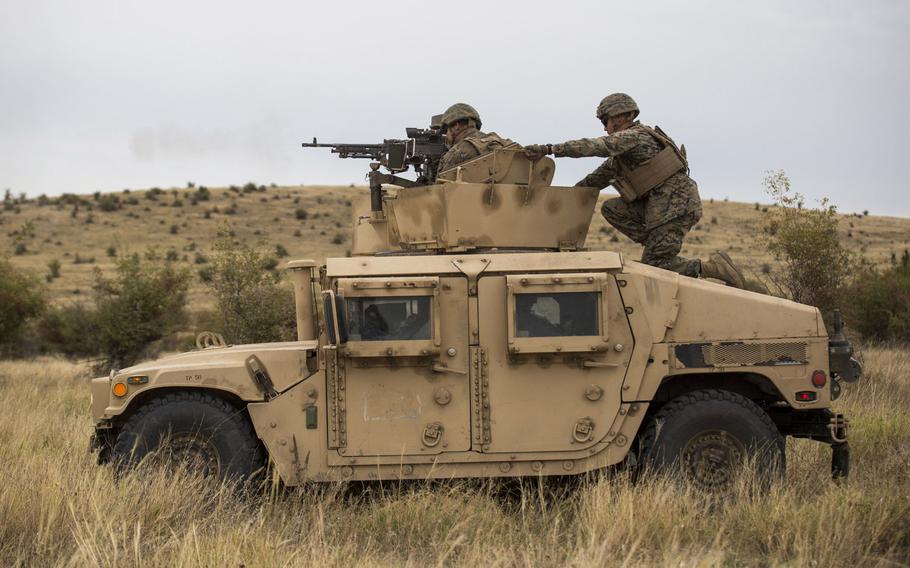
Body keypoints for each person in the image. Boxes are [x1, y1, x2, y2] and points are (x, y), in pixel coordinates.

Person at [524, 93, 745, 289]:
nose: (604, 127)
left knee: (656, 268)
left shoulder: (636, 136)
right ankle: (656, 246)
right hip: (660, 208)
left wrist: (551, 149)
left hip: (674, 206)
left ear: (620, 117)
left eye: (605, 120)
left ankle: (712, 268)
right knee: (611, 208)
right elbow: (590, 184)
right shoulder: (620, 158)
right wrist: (548, 204)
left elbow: (598, 146)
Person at [436, 103, 516, 174]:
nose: (446, 134)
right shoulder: (503, 143)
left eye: (446, 130)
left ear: (457, 125)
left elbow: (439, 186)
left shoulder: (457, 152)